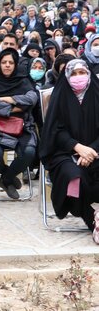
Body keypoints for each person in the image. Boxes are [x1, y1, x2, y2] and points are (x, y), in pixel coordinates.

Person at [40, 59, 99, 241]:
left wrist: (91, 151)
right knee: (73, 177)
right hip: (65, 154)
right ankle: (93, 220)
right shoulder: (60, 96)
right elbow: (54, 130)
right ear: (66, 76)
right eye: (73, 74)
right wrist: (78, 147)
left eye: (82, 72)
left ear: (89, 74)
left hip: (96, 152)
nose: (78, 77)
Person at [0, 48, 38, 200]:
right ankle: (9, 176)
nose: (7, 65)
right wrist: (17, 106)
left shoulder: (23, 79)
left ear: (16, 64)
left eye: (11, 62)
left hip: (22, 126)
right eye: (4, 62)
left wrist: (7, 99)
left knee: (29, 152)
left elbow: (32, 99)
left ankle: (6, 179)